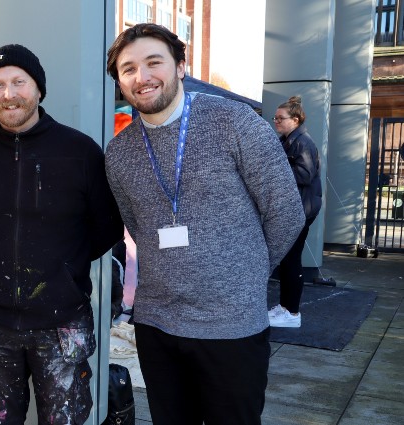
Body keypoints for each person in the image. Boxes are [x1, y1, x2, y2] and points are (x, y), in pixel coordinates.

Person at [104, 23, 305, 424]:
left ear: (180, 66)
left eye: (153, 62)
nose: (141, 77)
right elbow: (137, 227)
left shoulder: (235, 122)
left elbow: (285, 211)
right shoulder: (118, 152)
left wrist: (244, 275)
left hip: (232, 326)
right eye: (128, 69)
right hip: (157, 324)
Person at [0, 44, 124, 425]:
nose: (9, 94)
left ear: (38, 89)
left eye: (18, 82)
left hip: (62, 323)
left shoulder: (80, 151)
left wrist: (61, 264)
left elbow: (106, 226)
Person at [269, 96, 322, 328]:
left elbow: (305, 174)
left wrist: (277, 167)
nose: (276, 122)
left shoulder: (302, 142)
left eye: (281, 118)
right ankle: (285, 308)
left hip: (302, 209)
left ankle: (291, 313)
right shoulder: (291, 140)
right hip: (297, 208)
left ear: (296, 119)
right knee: (288, 260)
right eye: (275, 118)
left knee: (291, 260)